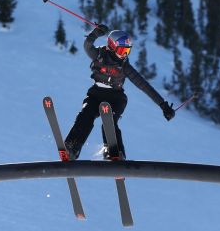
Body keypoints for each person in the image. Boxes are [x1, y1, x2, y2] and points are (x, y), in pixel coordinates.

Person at [64, 24, 175, 160]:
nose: (124, 55)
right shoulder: (99, 55)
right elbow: (87, 45)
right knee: (85, 115)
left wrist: (163, 105)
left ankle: (114, 151)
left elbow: (144, 85)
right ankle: (72, 147)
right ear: (111, 46)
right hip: (95, 94)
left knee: (109, 119)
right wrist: (96, 33)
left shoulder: (124, 66)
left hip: (116, 98)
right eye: (122, 50)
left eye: (127, 52)